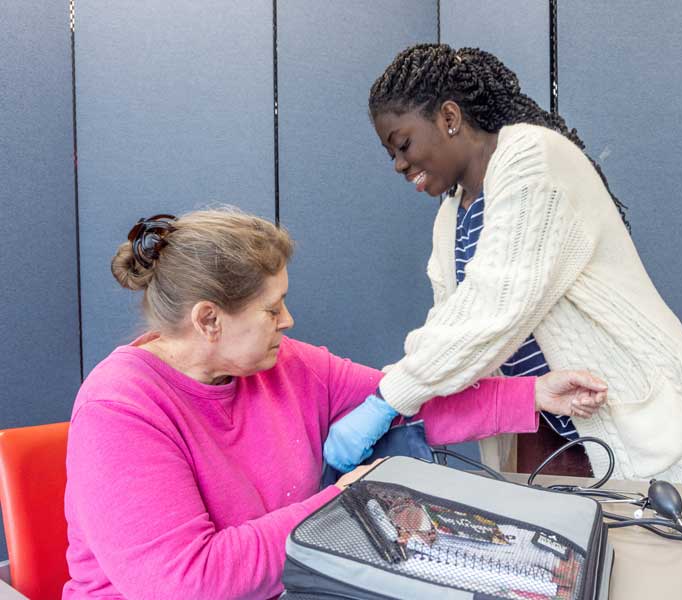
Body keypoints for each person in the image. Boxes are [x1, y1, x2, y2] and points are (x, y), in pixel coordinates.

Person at [62, 208, 607, 600]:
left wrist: (532, 394)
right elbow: (186, 584)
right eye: (272, 310)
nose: (288, 321)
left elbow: (403, 401)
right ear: (209, 320)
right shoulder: (120, 410)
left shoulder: (284, 364)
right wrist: (342, 503)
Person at [323, 43, 682, 483]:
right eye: (391, 155)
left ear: (450, 118)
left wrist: (387, 398)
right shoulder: (450, 214)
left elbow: (494, 308)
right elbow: (451, 329)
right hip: (546, 425)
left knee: (651, 546)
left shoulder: (531, 158)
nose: (400, 165)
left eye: (403, 144)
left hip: (623, 419)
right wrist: (392, 394)